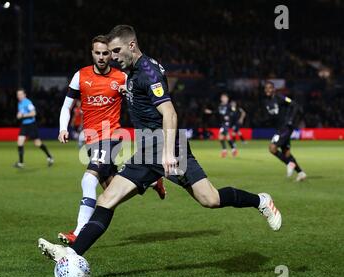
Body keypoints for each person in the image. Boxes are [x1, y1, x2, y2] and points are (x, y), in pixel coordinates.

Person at [38, 25, 282, 263]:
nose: (111, 58)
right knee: (106, 199)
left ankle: (260, 201)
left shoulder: (148, 72)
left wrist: (167, 154)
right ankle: (71, 254)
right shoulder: (132, 71)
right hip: (146, 148)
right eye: (109, 53)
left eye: (115, 51)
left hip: (170, 147)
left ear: (131, 45)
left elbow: (170, 113)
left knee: (210, 199)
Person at [57, 35, 166, 245]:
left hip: (112, 136)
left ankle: (79, 232)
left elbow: (143, 95)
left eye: (105, 53)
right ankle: (152, 181)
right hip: (92, 140)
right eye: (97, 53)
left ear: (111, 54)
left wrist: (132, 92)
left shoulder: (121, 77)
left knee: (88, 179)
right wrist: (63, 128)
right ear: (91, 53)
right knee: (112, 192)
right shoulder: (80, 76)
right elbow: (66, 105)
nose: (101, 57)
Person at [263, 81, 307, 181]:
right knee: (286, 153)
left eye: (270, 87)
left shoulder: (279, 97)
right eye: (266, 88)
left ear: (274, 89)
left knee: (272, 148)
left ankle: (289, 163)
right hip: (279, 128)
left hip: (285, 127)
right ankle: (301, 173)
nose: (268, 90)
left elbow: (295, 105)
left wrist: (291, 119)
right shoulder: (267, 102)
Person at [14, 88, 53, 168]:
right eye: (18, 95)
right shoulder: (20, 103)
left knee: (37, 143)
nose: (19, 96)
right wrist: (18, 115)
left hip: (31, 125)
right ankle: (21, 163)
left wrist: (23, 115)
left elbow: (33, 113)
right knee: (20, 142)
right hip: (24, 125)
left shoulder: (27, 102)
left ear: (24, 95)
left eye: (21, 94)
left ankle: (49, 157)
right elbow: (20, 113)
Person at [205, 93, 237, 157]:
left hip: (227, 123)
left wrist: (229, 116)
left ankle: (225, 150)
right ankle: (233, 149)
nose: (224, 99)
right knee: (225, 137)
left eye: (225, 97)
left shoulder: (229, 105)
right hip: (222, 123)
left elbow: (234, 113)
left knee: (221, 136)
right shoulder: (220, 106)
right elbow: (217, 112)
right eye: (222, 97)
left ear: (227, 99)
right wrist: (210, 112)